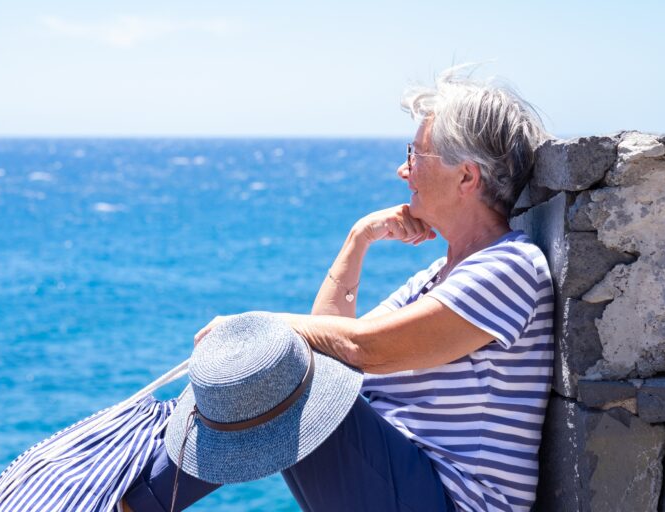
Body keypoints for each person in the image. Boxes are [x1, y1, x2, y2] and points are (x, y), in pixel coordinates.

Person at [123, 65, 554, 512]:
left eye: (415, 155)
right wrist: (359, 239)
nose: (403, 171)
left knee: (279, 367)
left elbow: (362, 349)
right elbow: (329, 353)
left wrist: (259, 329)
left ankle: (133, 499)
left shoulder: (509, 268)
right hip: (404, 487)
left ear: (466, 177)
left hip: (449, 501)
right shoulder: (437, 277)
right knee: (289, 365)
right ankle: (138, 490)